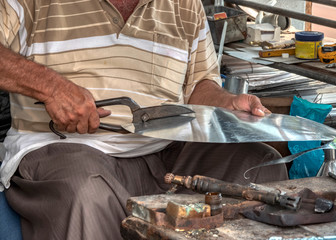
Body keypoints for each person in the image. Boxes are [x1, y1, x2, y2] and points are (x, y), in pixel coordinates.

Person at [0, 0, 288, 239]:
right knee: (86, 191)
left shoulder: (183, 5)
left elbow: (199, 86)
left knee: (258, 166)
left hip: (167, 149)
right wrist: (50, 88)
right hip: (64, 148)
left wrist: (227, 102)